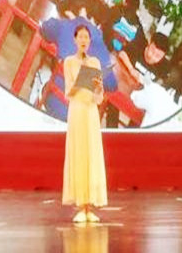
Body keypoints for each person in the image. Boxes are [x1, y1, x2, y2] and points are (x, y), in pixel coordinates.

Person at [62, 24, 108, 223]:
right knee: (79, 153)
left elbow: (99, 96)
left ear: (90, 41)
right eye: (80, 37)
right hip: (77, 110)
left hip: (90, 112)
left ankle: (90, 206)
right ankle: (80, 206)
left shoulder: (95, 62)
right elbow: (68, 92)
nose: (83, 40)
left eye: (86, 37)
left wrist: (98, 87)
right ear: (75, 40)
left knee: (92, 155)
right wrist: (81, 79)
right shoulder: (69, 62)